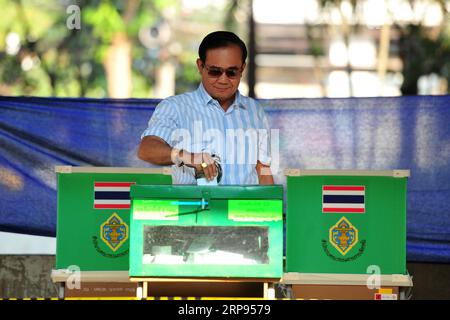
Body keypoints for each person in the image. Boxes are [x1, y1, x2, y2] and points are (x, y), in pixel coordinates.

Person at [138, 31, 274, 185]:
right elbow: (146, 149)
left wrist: (271, 207)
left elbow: (263, 168)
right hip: (195, 207)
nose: (223, 79)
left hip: (244, 208)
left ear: (242, 69)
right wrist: (187, 157)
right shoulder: (175, 107)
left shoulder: (254, 111)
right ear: (200, 66)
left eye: (231, 72)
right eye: (215, 72)